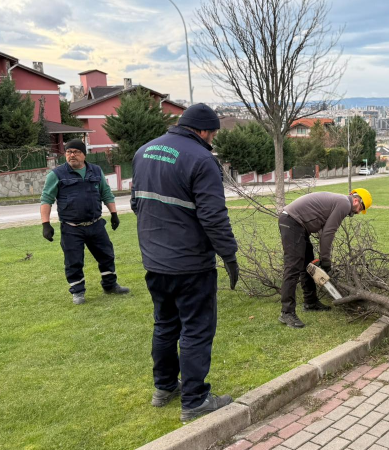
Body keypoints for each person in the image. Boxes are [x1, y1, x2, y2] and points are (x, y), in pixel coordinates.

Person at [131, 103, 239, 422]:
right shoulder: (202, 159)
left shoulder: (143, 152)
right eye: (213, 134)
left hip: (155, 261)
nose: (213, 140)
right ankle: (194, 401)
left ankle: (164, 387)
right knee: (196, 328)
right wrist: (229, 255)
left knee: (165, 324)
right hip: (191, 265)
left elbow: (137, 204)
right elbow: (213, 217)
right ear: (203, 131)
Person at [40, 139, 129, 305]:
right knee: (73, 261)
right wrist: (46, 224)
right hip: (71, 228)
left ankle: (110, 285)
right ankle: (78, 292)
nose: (72, 155)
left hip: (96, 224)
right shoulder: (57, 175)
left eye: (76, 152)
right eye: (69, 152)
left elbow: (106, 193)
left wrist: (114, 213)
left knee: (106, 255)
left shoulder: (96, 171)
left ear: (84, 154)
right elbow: (46, 199)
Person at [278, 188, 372, 328]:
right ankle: (287, 313)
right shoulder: (344, 204)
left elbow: (324, 230)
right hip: (292, 222)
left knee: (308, 265)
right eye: (360, 208)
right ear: (356, 200)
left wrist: (323, 258)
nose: (358, 212)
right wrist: (326, 261)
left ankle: (310, 302)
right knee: (292, 267)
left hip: (297, 224)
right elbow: (328, 233)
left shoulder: (340, 201)